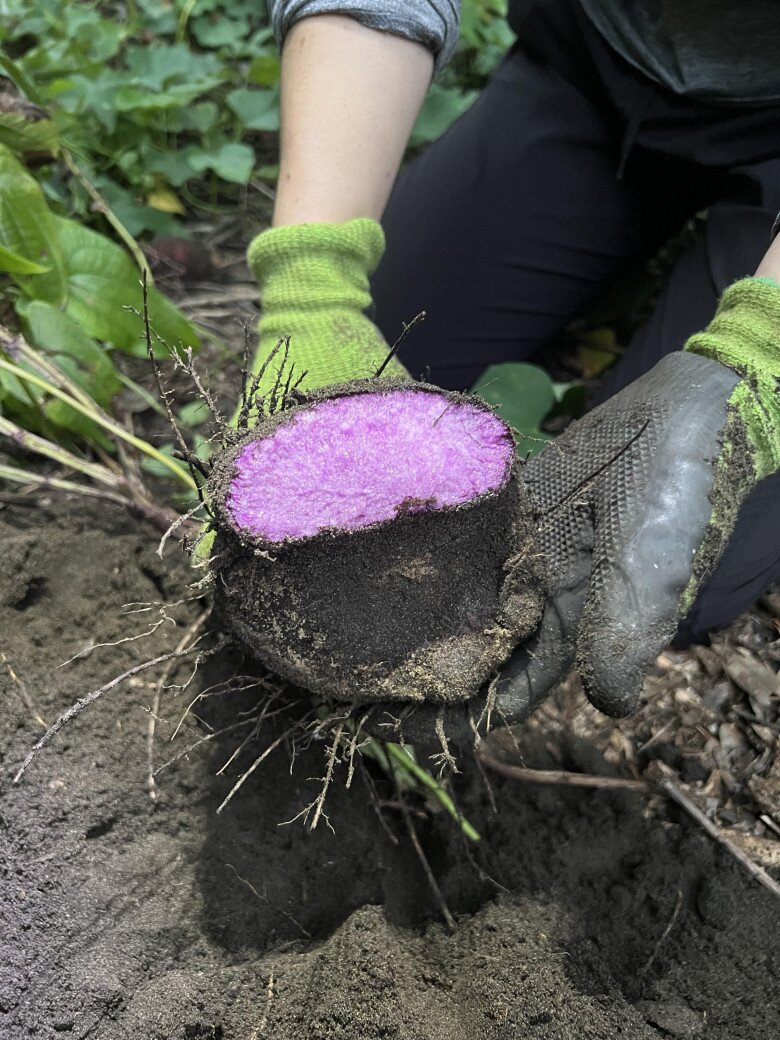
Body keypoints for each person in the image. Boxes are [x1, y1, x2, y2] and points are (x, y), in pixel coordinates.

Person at [246, 1, 780, 736]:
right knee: (386, 368)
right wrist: (310, 282)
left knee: (675, 575)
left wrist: (761, 349)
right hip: (596, 67)